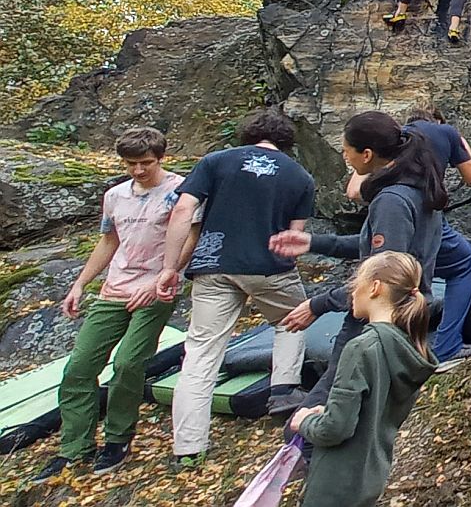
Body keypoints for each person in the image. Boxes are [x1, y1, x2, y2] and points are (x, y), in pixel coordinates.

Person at [34, 128, 198, 482]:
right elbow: (109, 241)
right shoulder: (115, 195)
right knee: (79, 367)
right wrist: (80, 284)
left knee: (127, 363)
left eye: (146, 163)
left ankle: (118, 438)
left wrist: (163, 278)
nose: (138, 170)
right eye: (130, 164)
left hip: (157, 288)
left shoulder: (181, 191)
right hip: (115, 289)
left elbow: (191, 237)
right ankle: (74, 446)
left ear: (160, 158)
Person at [156, 108, 314, 467]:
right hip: (269, 266)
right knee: (293, 319)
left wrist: (169, 267)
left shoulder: (216, 161)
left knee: (201, 353)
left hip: (214, 263)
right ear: (286, 142)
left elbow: (183, 211)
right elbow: (295, 236)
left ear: (248, 134)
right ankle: (283, 389)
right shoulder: (300, 176)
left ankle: (188, 449)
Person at [269, 111, 446, 424]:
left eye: (346, 150)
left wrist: (318, 305)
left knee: (316, 421)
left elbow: (383, 276)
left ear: (367, 155)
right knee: (357, 419)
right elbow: (376, 248)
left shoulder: (392, 200)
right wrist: (313, 242)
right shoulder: (414, 189)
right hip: (397, 320)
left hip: (375, 323)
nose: (344, 156)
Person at [289, 251, 437, 507]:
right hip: (370, 478)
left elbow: (335, 429)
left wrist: (305, 422)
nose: (352, 291)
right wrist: (327, 410)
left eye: (355, 282)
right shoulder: (405, 348)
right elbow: (368, 412)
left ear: (375, 287)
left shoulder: (361, 348)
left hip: (335, 484)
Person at [345, 104, 471, 369]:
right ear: (437, 120)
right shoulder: (446, 133)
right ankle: (445, 347)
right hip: (425, 214)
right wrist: (458, 141)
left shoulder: (395, 140)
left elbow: (353, 192)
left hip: (391, 214)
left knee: (391, 275)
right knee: (464, 263)